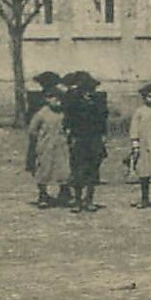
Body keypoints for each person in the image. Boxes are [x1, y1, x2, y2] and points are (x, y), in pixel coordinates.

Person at [62, 71, 108, 213]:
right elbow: (67, 118)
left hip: (94, 138)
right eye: (85, 89)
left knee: (93, 169)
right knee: (78, 170)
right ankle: (77, 200)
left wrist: (103, 135)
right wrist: (69, 133)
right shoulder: (72, 100)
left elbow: (103, 119)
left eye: (90, 89)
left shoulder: (98, 101)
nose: (88, 91)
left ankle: (89, 199)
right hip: (79, 137)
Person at [26, 89, 71, 208]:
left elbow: (68, 126)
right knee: (44, 170)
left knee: (63, 169)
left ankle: (64, 193)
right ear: (47, 99)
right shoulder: (42, 114)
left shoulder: (63, 113)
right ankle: (43, 195)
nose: (57, 102)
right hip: (45, 145)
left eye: (60, 99)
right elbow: (32, 130)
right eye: (54, 99)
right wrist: (39, 141)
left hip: (61, 144)